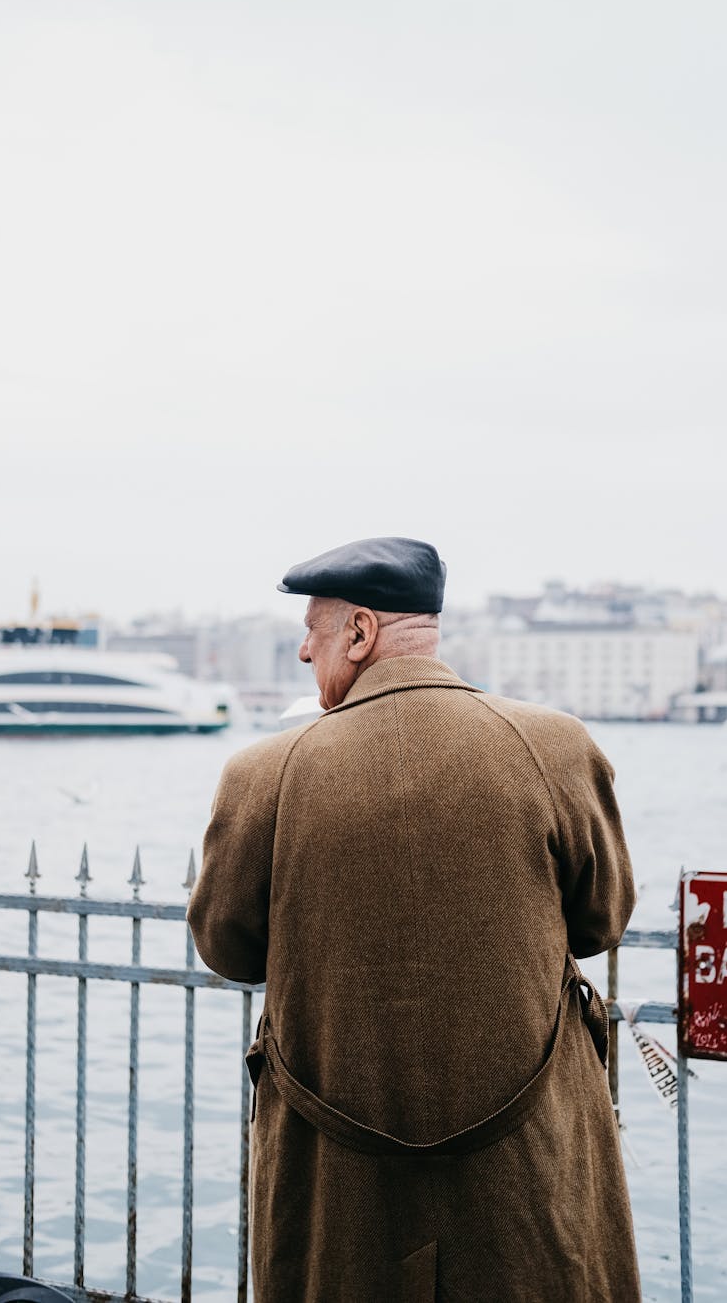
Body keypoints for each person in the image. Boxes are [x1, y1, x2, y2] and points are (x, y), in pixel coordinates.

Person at [187, 536, 641, 1303]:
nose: (303, 651)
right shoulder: (555, 747)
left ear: (360, 633)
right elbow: (602, 922)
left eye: (313, 630)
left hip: (338, 1183)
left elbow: (227, 947)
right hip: (525, 1176)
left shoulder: (264, 773)